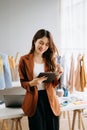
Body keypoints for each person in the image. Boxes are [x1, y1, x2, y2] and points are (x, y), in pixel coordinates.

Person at [18, 29, 63, 130]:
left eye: (47, 44)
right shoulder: (24, 60)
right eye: (41, 43)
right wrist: (31, 83)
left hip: (50, 99)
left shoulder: (50, 59)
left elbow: (53, 84)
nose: (43, 47)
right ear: (35, 41)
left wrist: (58, 75)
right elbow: (22, 82)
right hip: (34, 99)